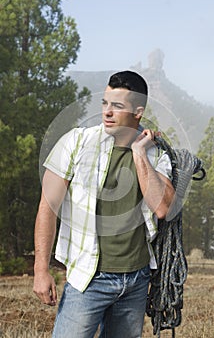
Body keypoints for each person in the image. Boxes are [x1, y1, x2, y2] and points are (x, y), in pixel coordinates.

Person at [33, 70, 175, 338]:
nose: (107, 112)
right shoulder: (76, 142)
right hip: (88, 279)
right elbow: (47, 207)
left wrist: (138, 151)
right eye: (105, 103)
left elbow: (162, 207)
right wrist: (41, 269)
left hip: (136, 280)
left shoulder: (156, 154)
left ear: (138, 112)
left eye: (117, 106)